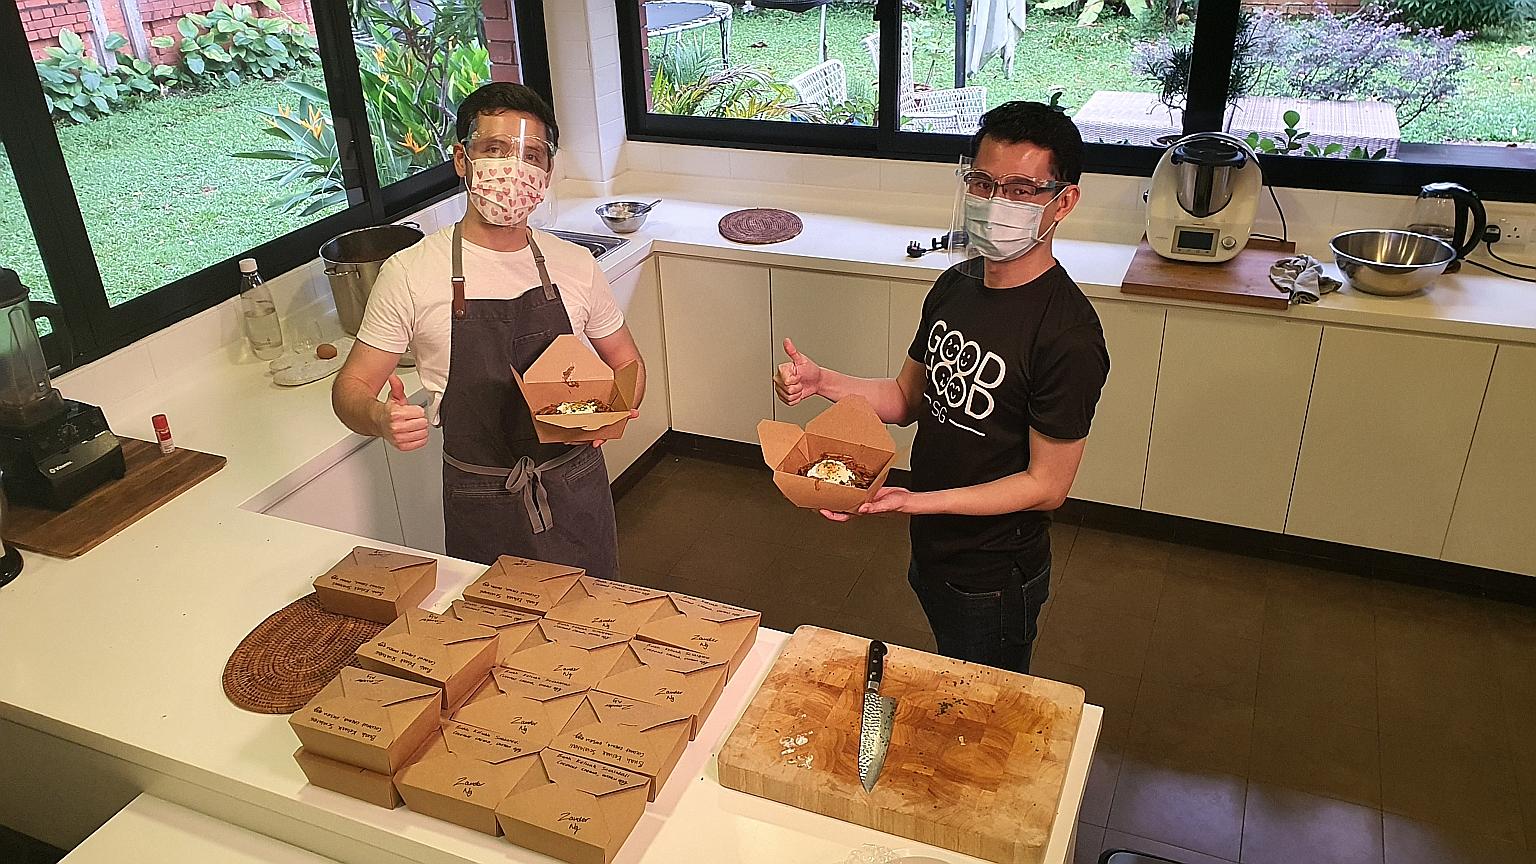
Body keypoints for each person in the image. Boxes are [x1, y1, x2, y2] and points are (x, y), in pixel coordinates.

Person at [774, 101, 1108, 674]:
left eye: (1021, 189)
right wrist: (821, 380)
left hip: (994, 572)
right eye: (982, 182)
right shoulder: (956, 285)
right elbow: (906, 399)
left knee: (985, 700)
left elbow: (1047, 486)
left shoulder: (1066, 335)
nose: (996, 202)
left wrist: (914, 501)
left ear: (1063, 201)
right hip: (932, 546)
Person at [332, 82, 644, 579]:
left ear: (546, 174)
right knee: (493, 619)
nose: (513, 170)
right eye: (495, 149)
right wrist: (378, 417)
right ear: (463, 160)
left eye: (531, 156)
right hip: (480, 496)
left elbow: (626, 360)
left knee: (593, 618)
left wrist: (616, 410)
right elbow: (350, 386)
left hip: (575, 484)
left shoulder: (575, 264)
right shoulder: (411, 272)